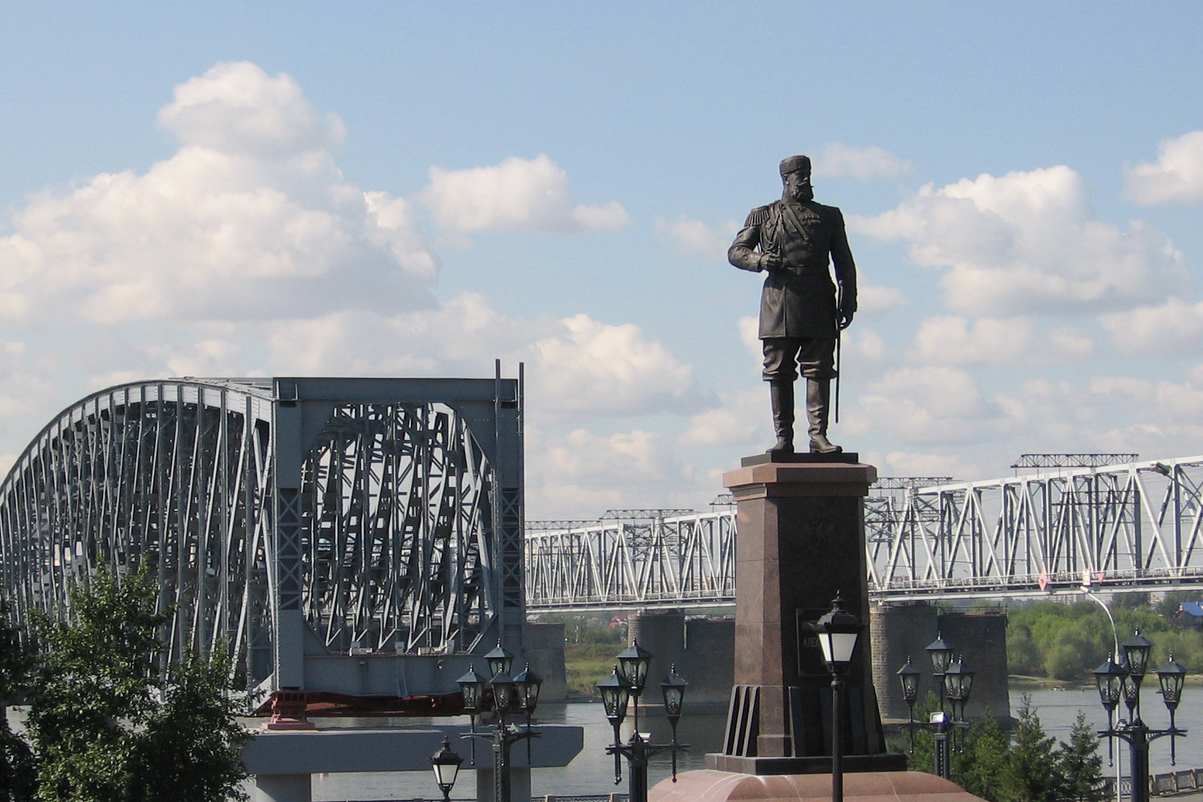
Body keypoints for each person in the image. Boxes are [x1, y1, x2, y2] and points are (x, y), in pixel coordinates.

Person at [729, 155, 857, 454]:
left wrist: (848, 299)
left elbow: (844, 262)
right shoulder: (763, 215)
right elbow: (736, 251)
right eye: (800, 177)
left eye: (808, 176)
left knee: (819, 369)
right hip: (780, 300)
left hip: (818, 298)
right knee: (779, 370)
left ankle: (818, 436)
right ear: (787, 179)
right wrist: (760, 260)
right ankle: (784, 438)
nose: (806, 182)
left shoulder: (829, 216)